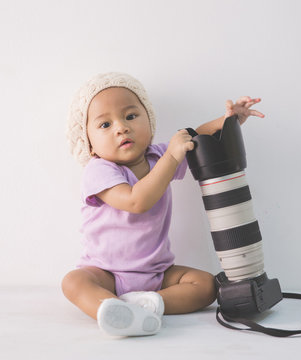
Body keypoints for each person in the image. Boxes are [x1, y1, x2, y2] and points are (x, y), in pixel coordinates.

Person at [62, 72, 265, 337]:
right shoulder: (99, 170)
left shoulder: (159, 156)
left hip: (157, 273)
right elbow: (136, 201)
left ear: (149, 119)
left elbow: (197, 136)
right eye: (105, 125)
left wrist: (229, 120)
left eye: (131, 116)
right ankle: (108, 307)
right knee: (74, 282)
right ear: (90, 145)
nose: (121, 127)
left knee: (206, 286)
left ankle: (149, 305)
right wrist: (171, 156)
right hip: (106, 273)